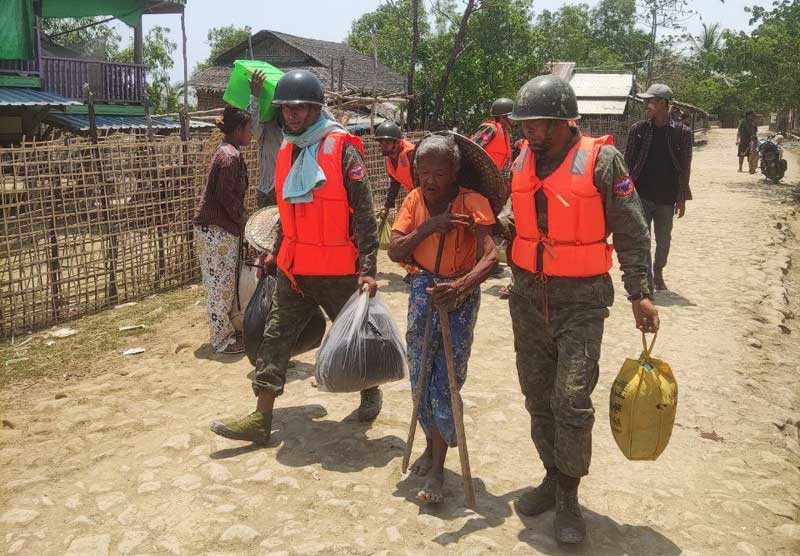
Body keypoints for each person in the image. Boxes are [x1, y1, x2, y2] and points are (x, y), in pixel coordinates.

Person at [507, 75, 659, 544]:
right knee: (536, 396)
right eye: (526, 123)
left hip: (582, 301)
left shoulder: (603, 160)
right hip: (528, 298)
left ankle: (569, 496)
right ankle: (551, 475)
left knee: (570, 400)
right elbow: (519, 218)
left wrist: (640, 292)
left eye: (540, 123)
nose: (531, 131)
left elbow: (632, 231)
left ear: (565, 121)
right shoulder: (520, 160)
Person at [209, 70, 382, 446]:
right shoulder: (286, 150)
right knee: (275, 339)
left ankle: (370, 390)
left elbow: (365, 212)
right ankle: (261, 418)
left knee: (352, 336)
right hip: (295, 269)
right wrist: (276, 250)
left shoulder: (341, 147)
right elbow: (290, 208)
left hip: (338, 271)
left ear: (316, 108)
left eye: (301, 107)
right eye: (288, 107)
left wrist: (368, 269)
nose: (293, 114)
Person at [388, 134, 497, 504]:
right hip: (423, 290)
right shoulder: (414, 200)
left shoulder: (473, 202)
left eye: (439, 172)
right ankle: (429, 447)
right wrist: (429, 227)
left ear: (454, 172)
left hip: (459, 295)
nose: (430, 179)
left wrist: (462, 286)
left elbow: (490, 257)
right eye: (423, 170)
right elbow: (395, 250)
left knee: (446, 380)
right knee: (419, 374)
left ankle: (438, 469)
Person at [192, 106, 254, 354]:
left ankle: (226, 332)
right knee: (220, 285)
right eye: (249, 129)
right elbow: (228, 199)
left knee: (222, 281)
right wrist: (243, 222)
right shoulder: (229, 157)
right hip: (216, 229)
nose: (252, 134)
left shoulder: (228, 152)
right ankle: (222, 340)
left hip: (217, 229)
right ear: (238, 130)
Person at [625, 83, 693, 292]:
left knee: (664, 240)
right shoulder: (639, 130)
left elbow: (685, 166)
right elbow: (627, 164)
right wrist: (625, 195)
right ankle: (648, 278)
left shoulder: (682, 133)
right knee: (643, 239)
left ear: (663, 104)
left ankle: (659, 270)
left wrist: (681, 198)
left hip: (666, 198)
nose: (646, 105)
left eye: (650, 101)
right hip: (641, 196)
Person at [247, 70, 284, 208]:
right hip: (267, 192)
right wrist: (255, 96)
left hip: (288, 194)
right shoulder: (267, 129)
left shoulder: (300, 135)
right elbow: (252, 126)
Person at [375, 120, 416, 220]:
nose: (383, 146)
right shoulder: (389, 159)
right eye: (381, 143)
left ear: (397, 143)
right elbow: (395, 183)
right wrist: (388, 205)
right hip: (414, 194)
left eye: (387, 142)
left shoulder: (411, 155)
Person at [470, 97, 514, 177]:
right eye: (511, 117)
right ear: (502, 117)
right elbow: (471, 150)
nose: (514, 120)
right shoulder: (490, 128)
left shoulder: (505, 134)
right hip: (476, 177)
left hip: (492, 180)